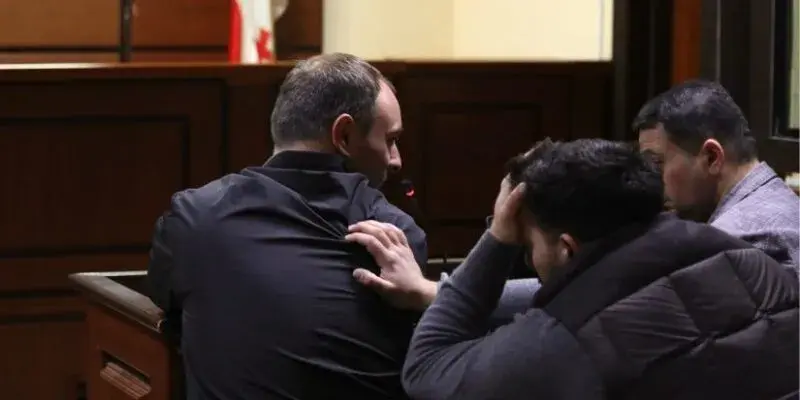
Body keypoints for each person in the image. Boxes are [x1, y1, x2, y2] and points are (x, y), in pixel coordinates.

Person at [146, 53, 532, 399]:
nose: (396, 160)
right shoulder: (393, 239)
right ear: (344, 135)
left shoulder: (193, 219)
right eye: (391, 140)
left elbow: (169, 306)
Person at [347, 139, 799, 400]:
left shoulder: (560, 344)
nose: (529, 260)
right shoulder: (752, 261)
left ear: (566, 248)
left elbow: (426, 370)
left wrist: (498, 240)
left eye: (528, 246)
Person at [636, 79, 799, 267]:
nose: (650, 177)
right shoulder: (783, 201)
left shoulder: (733, 243)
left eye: (657, 163)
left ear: (711, 157)